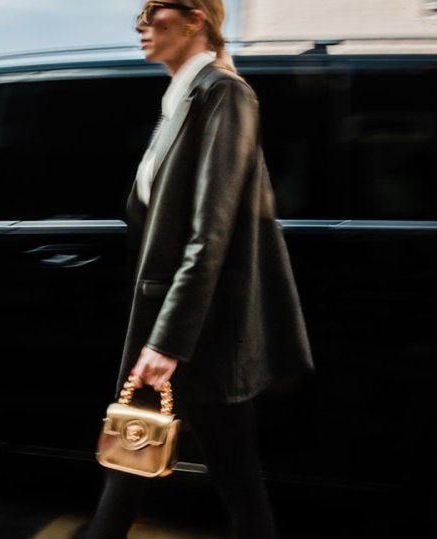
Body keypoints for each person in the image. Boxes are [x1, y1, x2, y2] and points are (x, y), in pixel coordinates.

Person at [79, 1, 314, 538]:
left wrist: (168, 341)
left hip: (198, 331)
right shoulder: (183, 98)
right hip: (181, 324)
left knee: (187, 471)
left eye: (152, 12)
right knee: (141, 462)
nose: (139, 25)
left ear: (195, 19)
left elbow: (211, 232)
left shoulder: (223, 95)